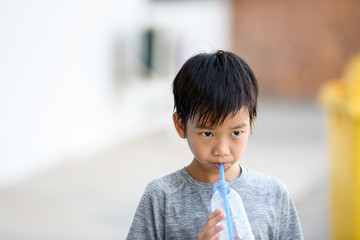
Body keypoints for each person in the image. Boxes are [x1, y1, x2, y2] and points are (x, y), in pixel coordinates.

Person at [126, 50, 303, 239]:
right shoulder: (161, 197)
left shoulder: (273, 193)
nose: (222, 150)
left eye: (236, 132)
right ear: (180, 126)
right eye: (207, 133)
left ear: (250, 123)